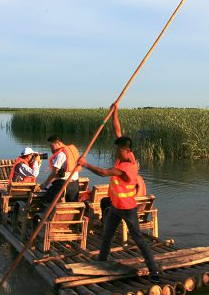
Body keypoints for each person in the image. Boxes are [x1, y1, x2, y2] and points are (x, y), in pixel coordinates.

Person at [78, 104, 161, 282]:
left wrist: (85, 164)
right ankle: (101, 262)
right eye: (117, 149)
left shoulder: (127, 167)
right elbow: (118, 130)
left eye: (119, 150)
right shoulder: (127, 155)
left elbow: (103, 172)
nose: (116, 152)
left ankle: (153, 271)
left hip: (128, 209)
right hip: (115, 207)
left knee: (139, 240)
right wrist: (115, 112)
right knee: (106, 236)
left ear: (127, 151)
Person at [41, 135, 80, 205]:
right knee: (71, 205)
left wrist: (45, 184)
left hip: (63, 185)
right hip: (75, 185)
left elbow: (54, 173)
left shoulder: (61, 154)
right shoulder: (71, 151)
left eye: (52, 146)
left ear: (58, 143)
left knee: (45, 200)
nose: (51, 149)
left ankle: (45, 215)